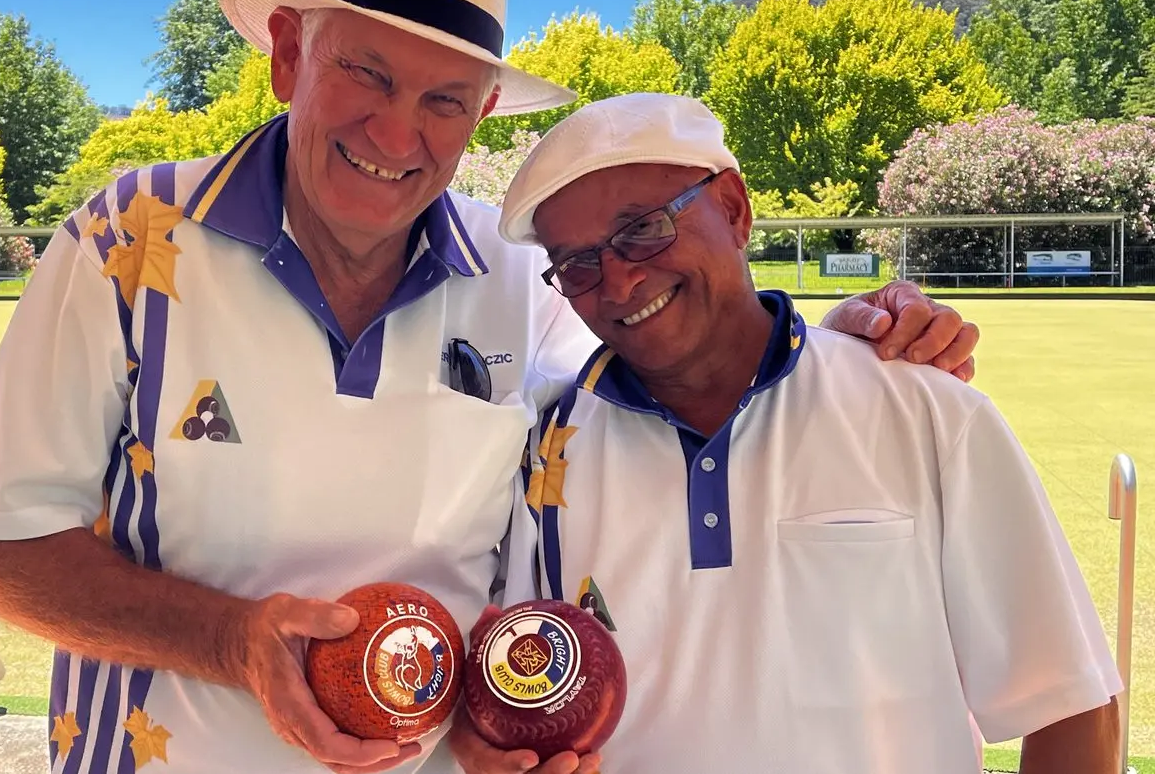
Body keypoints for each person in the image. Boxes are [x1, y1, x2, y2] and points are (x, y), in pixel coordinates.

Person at [0, 0, 980, 774]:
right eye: (367, 74)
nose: (397, 133)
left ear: (481, 116)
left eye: (444, 99)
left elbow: (672, 378)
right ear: (290, 55)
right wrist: (233, 642)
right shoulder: (128, 238)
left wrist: (826, 343)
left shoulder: (524, 276)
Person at [447, 92, 1122, 774]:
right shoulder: (549, 445)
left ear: (734, 209)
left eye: (643, 229)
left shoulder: (924, 409)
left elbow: (1071, 702)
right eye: (578, 264)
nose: (618, 282)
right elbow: (514, 685)